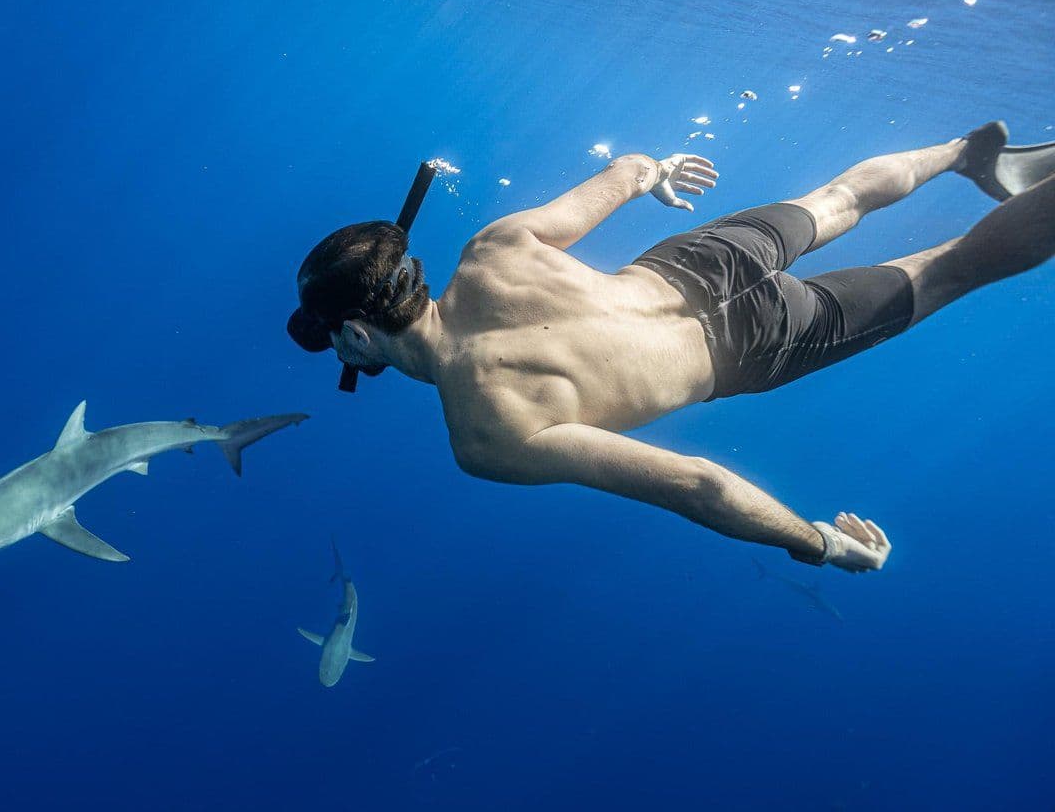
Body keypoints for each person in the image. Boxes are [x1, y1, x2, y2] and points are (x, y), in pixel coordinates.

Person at [286, 122, 1055, 572]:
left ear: (357, 333)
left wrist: (818, 543)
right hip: (695, 263)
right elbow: (625, 168)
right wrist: (655, 173)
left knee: (953, 268)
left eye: (336, 345)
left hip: (750, 346)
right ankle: (967, 153)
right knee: (839, 197)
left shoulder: (483, 433)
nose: (345, 360)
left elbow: (698, 485)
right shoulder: (495, 248)